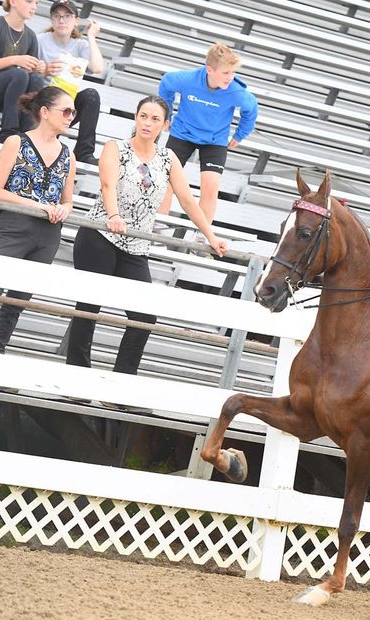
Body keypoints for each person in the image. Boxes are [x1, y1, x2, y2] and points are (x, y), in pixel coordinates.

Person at [64, 96, 228, 376]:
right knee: (89, 305)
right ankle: (77, 377)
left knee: (144, 315)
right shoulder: (117, 148)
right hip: (101, 234)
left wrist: (210, 237)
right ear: (135, 118)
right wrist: (114, 216)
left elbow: (188, 200)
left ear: (165, 125)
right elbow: (107, 184)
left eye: (154, 119)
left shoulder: (168, 158)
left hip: (136, 245)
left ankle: (122, 381)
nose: (147, 123)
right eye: (143, 116)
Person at [0, 86, 75, 354]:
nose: (70, 117)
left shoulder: (68, 154)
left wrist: (64, 208)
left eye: (73, 112)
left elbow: (67, 199)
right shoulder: (16, 142)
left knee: (19, 301)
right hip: (15, 225)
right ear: (44, 112)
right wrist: (35, 205)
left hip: (48, 233)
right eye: (65, 111)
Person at [157, 42, 258, 223]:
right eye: (226, 73)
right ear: (209, 70)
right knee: (167, 180)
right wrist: (167, 114)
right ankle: (155, 227)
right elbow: (166, 82)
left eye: (233, 72)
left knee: (211, 187)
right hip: (182, 134)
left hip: (214, 140)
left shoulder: (236, 91)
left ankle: (202, 237)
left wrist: (240, 134)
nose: (230, 77)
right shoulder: (188, 79)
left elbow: (251, 108)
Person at [37, 0, 103, 165]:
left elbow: (97, 68)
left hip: (66, 105)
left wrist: (91, 37)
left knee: (91, 95)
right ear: (51, 19)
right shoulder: (39, 40)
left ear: (76, 21)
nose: (61, 20)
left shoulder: (80, 45)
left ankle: (83, 151)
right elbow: (23, 70)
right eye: (57, 16)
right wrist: (44, 69)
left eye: (67, 16)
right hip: (41, 105)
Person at [0, 0, 48, 143]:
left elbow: (29, 73)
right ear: (13, 1)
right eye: (29, 1)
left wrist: (38, 67)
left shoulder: (30, 36)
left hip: (10, 95)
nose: (34, 6)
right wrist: (14, 60)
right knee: (19, 74)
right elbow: (17, 68)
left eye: (36, 3)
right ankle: (8, 134)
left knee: (36, 78)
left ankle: (27, 136)